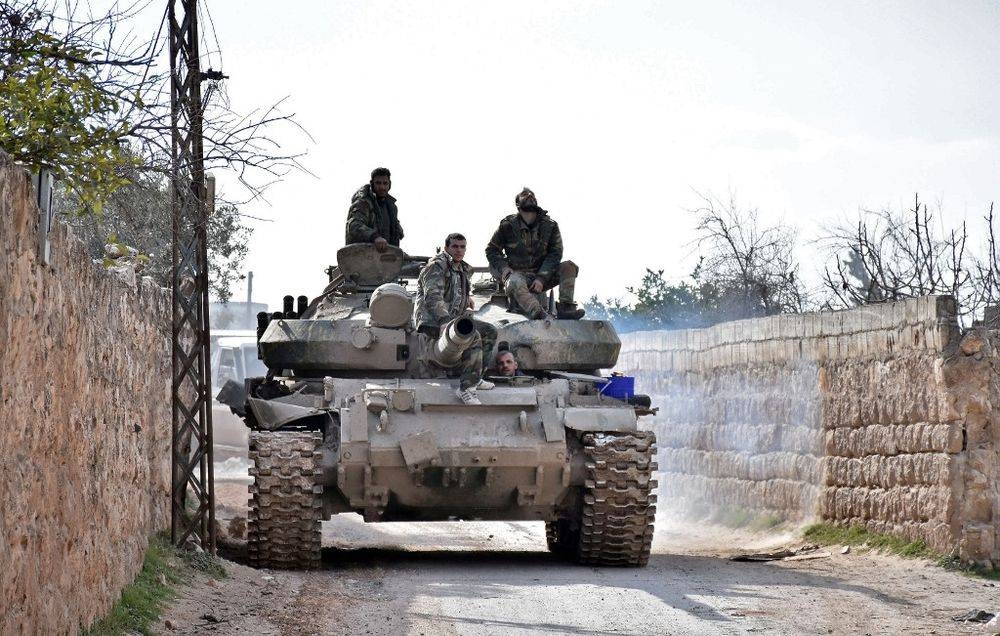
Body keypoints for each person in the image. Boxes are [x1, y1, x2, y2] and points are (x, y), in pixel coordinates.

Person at [415, 233, 494, 405]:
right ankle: (465, 389)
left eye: (462, 247)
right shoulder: (436, 267)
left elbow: (454, 291)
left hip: (451, 320)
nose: (459, 250)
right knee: (474, 336)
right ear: (447, 248)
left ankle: (475, 377)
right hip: (433, 320)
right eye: (455, 246)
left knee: (489, 331)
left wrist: (467, 299)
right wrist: (444, 320)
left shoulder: (461, 269)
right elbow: (433, 296)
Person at [485, 187, 584, 319]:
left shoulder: (549, 226)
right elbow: (492, 250)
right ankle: (538, 312)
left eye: (532, 195)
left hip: (542, 274)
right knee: (513, 280)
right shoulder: (507, 226)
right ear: (518, 204)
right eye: (525, 195)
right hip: (517, 275)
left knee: (569, 266)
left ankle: (565, 308)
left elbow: (555, 254)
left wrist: (541, 278)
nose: (530, 196)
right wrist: (504, 268)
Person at [345, 167, 404, 251]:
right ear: (372, 184)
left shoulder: (391, 207)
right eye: (378, 183)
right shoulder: (363, 203)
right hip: (363, 254)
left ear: (389, 185)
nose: (382, 187)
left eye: (385, 183)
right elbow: (354, 225)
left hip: (386, 256)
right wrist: (375, 237)